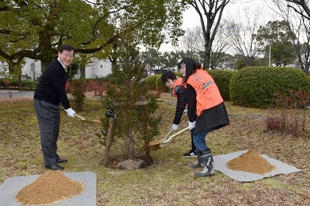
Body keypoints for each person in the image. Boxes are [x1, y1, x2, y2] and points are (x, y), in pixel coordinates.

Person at [179, 58, 229, 178]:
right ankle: (201, 160)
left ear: (190, 66)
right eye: (180, 68)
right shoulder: (202, 73)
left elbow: (192, 102)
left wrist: (191, 120)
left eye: (183, 67)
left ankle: (209, 168)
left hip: (210, 109)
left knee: (197, 136)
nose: (181, 70)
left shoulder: (191, 80)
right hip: (217, 106)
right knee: (199, 134)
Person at [34, 45, 76, 170]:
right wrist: (68, 108)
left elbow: (59, 90)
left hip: (53, 104)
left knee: (54, 131)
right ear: (59, 54)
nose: (68, 58)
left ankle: (53, 156)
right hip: (43, 103)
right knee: (48, 133)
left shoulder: (62, 68)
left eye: (71, 56)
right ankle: (49, 162)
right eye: (66, 55)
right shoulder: (55, 69)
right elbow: (60, 91)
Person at [161, 71, 197, 157]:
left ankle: (197, 152)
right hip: (194, 106)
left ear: (170, 80)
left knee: (196, 131)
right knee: (194, 130)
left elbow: (180, 105)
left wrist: (176, 122)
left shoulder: (179, 88)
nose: (166, 85)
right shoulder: (181, 82)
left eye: (166, 82)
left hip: (199, 107)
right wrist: (187, 109)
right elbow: (186, 99)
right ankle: (195, 150)